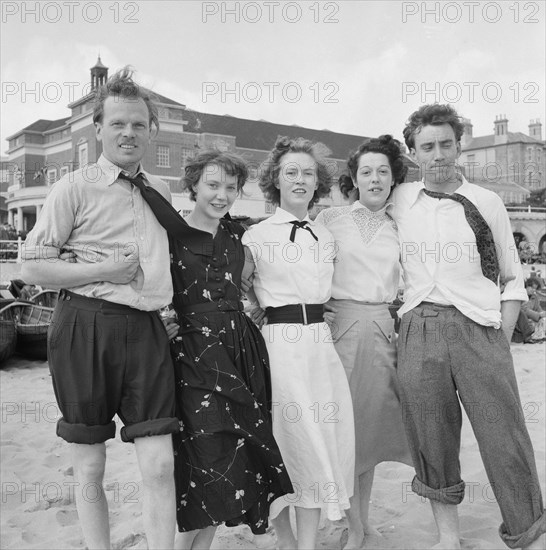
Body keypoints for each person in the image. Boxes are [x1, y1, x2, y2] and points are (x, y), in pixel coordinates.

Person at [21, 68, 179, 549]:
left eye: (137, 124)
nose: (128, 132)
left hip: (147, 332)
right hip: (83, 326)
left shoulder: (162, 191)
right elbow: (31, 267)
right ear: (99, 129)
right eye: (117, 124)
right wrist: (103, 272)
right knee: (89, 462)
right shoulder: (74, 186)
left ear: (151, 129)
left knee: (160, 462)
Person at [391, 103, 545, 549]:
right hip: (419, 329)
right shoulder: (400, 200)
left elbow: (513, 279)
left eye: (445, 144)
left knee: (505, 436)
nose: (437, 154)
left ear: (459, 146)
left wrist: (500, 338)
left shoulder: (487, 201)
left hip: (480, 329)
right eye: (426, 146)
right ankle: (448, 538)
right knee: (431, 435)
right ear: (414, 153)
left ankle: (528, 533)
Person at [140, 149, 293, 550]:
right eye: (212, 185)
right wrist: (159, 322)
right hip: (191, 355)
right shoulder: (166, 234)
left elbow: (270, 280)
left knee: (231, 457)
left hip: (240, 351)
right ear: (192, 186)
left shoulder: (240, 235)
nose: (221, 194)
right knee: (203, 458)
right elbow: (145, 289)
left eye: (231, 187)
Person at [242, 136, 355, 550]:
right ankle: (286, 541)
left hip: (320, 347)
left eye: (308, 173)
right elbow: (239, 294)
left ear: (317, 182)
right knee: (287, 442)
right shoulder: (254, 236)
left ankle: (306, 545)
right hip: (278, 347)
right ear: (275, 180)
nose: (301, 180)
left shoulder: (326, 236)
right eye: (291, 172)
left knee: (317, 442)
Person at [314, 135, 412, 549]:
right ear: (354, 178)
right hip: (340, 331)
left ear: (394, 179)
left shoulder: (400, 227)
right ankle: (352, 526)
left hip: (382, 333)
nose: (375, 178)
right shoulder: (330, 220)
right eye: (366, 171)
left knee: (368, 436)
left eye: (383, 171)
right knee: (342, 434)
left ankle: (362, 521)